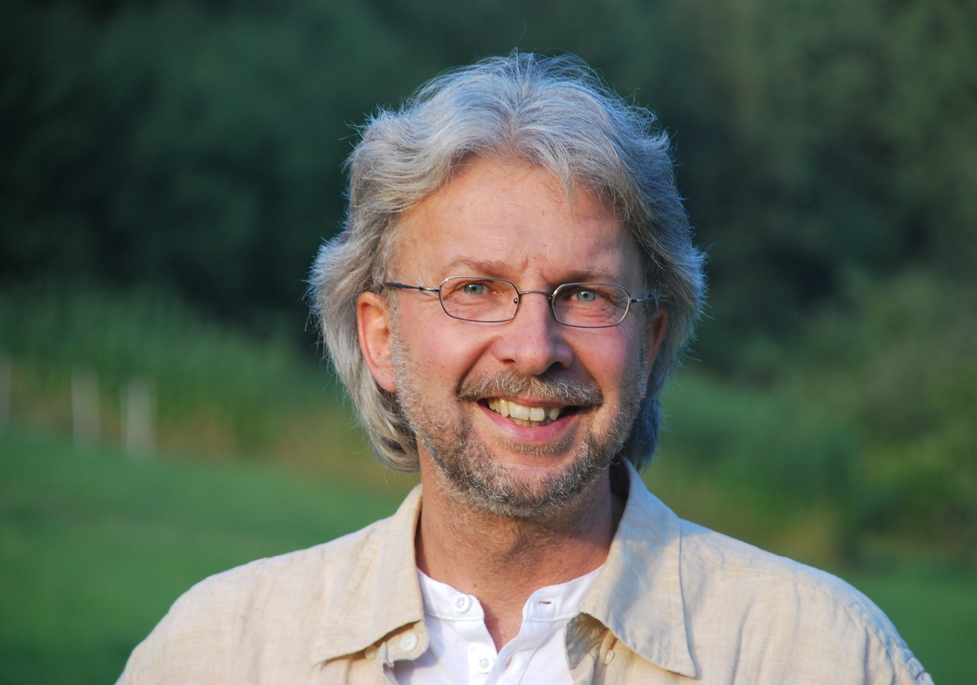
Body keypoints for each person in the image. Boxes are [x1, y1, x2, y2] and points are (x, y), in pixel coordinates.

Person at [117, 52, 932, 684]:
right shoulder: (218, 651)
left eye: (584, 293)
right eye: (476, 288)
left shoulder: (820, 652)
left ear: (650, 342)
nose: (535, 345)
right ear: (380, 335)